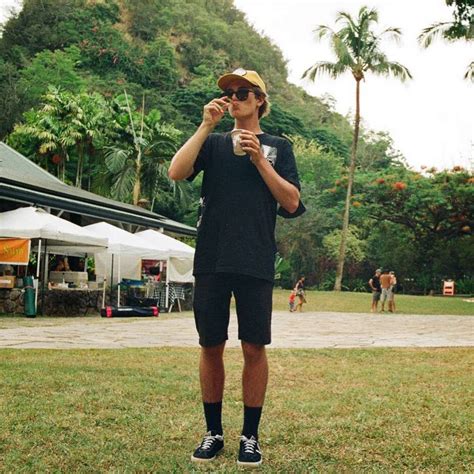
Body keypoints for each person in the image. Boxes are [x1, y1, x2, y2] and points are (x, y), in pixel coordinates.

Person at [168, 68, 304, 467]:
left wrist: (260, 159)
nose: (234, 97)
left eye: (243, 92)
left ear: (260, 100)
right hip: (211, 257)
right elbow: (176, 172)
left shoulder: (279, 146)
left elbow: (292, 202)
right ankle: (213, 432)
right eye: (230, 92)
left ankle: (250, 436)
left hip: (255, 257)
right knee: (210, 345)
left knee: (253, 346)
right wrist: (205, 125)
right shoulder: (211, 143)